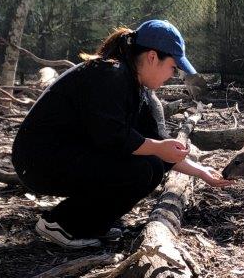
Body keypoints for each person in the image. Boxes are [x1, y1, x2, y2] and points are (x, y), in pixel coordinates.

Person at [12, 19, 232, 249]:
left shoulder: (135, 86)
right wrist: (157, 148)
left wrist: (201, 171)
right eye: (172, 67)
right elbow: (113, 137)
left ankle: (89, 225)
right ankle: (61, 223)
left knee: (152, 166)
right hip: (39, 161)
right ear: (152, 57)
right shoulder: (110, 75)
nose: (172, 75)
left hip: (67, 155)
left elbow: (157, 146)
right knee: (139, 170)